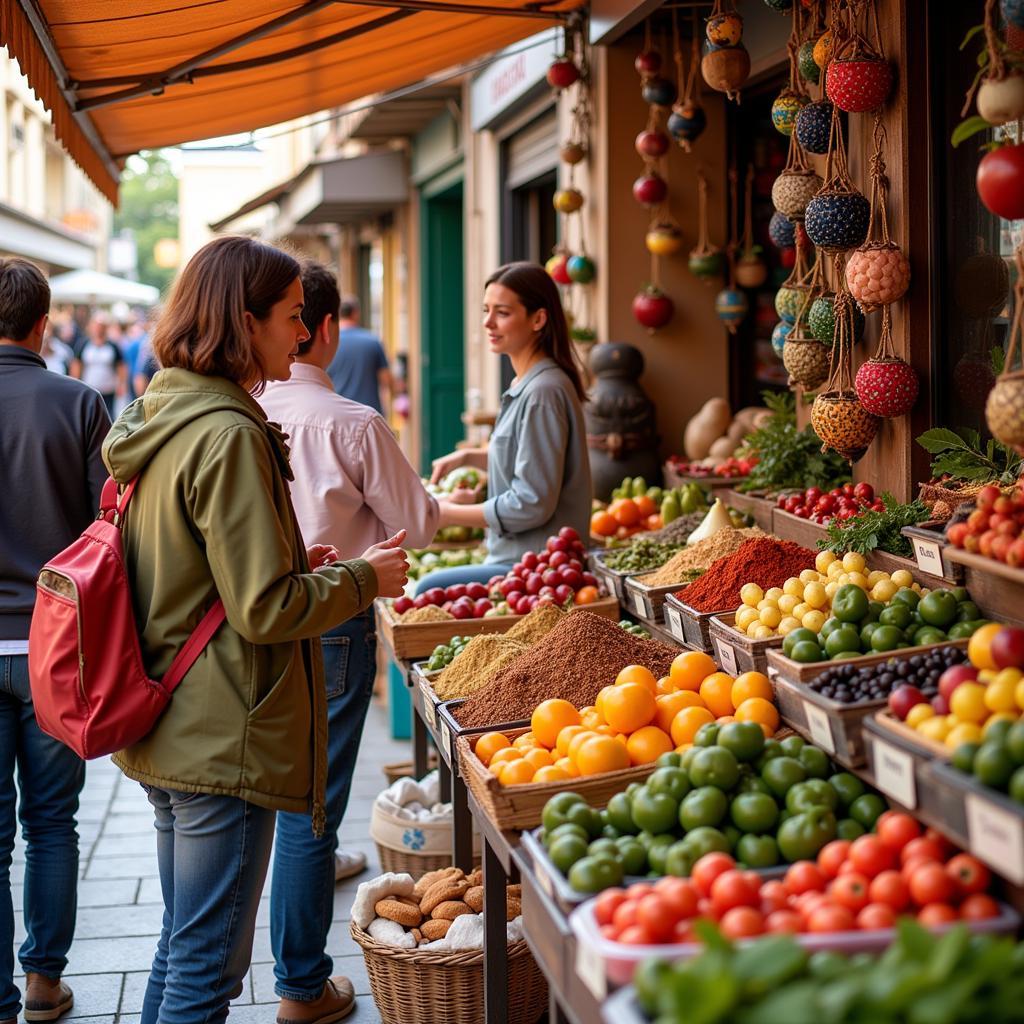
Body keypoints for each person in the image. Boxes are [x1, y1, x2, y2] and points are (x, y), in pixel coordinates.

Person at [101, 236, 409, 1024]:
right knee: (207, 968)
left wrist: (289, 555)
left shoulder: (164, 414)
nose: (301, 336)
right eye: (290, 318)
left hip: (171, 716)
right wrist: (362, 578)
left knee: (181, 946)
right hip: (220, 733)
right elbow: (264, 610)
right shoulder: (231, 432)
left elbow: (186, 566)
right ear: (245, 322)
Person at [258, 259, 440, 1023]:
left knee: (266, 801)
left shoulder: (239, 410)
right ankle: (301, 984)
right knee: (313, 809)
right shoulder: (353, 423)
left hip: (250, 620)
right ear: (322, 328)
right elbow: (419, 524)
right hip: (331, 619)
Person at [0, 258, 111, 1024]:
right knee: (50, 823)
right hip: (52, 650)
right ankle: (44, 980)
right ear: (45, 324)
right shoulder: (79, 404)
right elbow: (108, 532)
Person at [424, 262, 592, 590]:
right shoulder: (526, 383)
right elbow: (529, 460)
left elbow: (530, 502)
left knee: (425, 588)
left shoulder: (543, 392)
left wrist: (446, 513)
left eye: (501, 312)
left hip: (538, 570)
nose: (488, 322)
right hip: (517, 559)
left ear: (538, 319)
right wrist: (470, 457)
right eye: (486, 310)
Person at [324, 295, 393, 413]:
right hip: (370, 416)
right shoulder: (373, 341)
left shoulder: (327, 343)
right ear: (355, 313)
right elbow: (386, 380)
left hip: (338, 414)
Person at [69, 314, 127, 416]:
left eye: (101, 327)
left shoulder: (113, 346)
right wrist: (75, 383)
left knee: (108, 415)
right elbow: (76, 365)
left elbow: (121, 366)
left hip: (108, 390)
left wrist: (121, 384)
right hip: (89, 388)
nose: (98, 330)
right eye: (96, 326)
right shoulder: (84, 344)